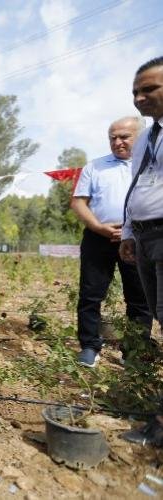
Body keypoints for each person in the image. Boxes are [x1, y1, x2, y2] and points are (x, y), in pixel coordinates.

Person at [71, 116, 152, 368]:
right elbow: (78, 202)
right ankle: (89, 346)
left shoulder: (152, 165)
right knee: (91, 295)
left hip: (138, 239)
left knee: (140, 297)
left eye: (124, 137)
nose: (117, 142)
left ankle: (134, 351)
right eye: (112, 138)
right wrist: (98, 227)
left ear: (139, 137)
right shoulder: (94, 167)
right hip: (99, 238)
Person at [119, 56, 163, 447]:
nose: (139, 97)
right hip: (147, 237)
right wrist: (129, 232)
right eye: (136, 90)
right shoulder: (147, 139)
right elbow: (138, 187)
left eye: (149, 88)